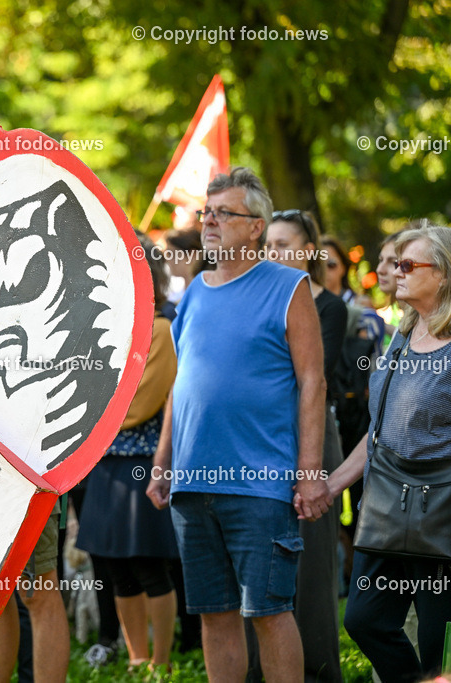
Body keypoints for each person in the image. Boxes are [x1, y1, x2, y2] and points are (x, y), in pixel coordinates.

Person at [146, 168, 331, 683]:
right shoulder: (196, 292)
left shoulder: (289, 286)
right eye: (207, 212)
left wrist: (310, 472)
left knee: (269, 612)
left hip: (261, 483)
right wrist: (163, 464)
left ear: (255, 227)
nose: (210, 222)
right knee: (213, 613)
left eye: (224, 213)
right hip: (191, 483)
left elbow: (312, 382)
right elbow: (180, 386)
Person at [327, 225, 451, 683]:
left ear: (442, 275)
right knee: (364, 620)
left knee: (442, 646)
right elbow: (380, 428)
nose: (393, 273)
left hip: (441, 514)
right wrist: (333, 483)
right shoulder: (404, 332)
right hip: (385, 507)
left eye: (407, 265)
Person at [76, 232, 177, 673]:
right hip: (101, 465)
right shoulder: (103, 329)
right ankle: (137, 660)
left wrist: (88, 402)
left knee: (149, 568)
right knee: (116, 570)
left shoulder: (159, 330)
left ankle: (162, 662)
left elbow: (136, 407)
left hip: (140, 464)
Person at [265, 210, 347, 682]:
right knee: (262, 557)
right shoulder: (255, 297)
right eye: (268, 245)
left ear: (307, 251)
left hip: (313, 436)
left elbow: (308, 378)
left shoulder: (328, 306)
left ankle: (317, 670)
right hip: (264, 438)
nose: (273, 254)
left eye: (283, 245)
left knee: (313, 561)